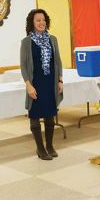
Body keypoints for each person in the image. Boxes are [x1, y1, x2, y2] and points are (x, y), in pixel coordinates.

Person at [20, 9, 63, 161]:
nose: (41, 22)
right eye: (38, 20)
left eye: (43, 20)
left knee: (50, 115)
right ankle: (40, 148)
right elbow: (24, 66)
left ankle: (50, 146)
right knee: (35, 115)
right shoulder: (26, 42)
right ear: (32, 23)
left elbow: (57, 61)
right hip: (35, 83)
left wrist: (60, 80)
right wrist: (28, 85)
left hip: (50, 83)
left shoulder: (53, 39)